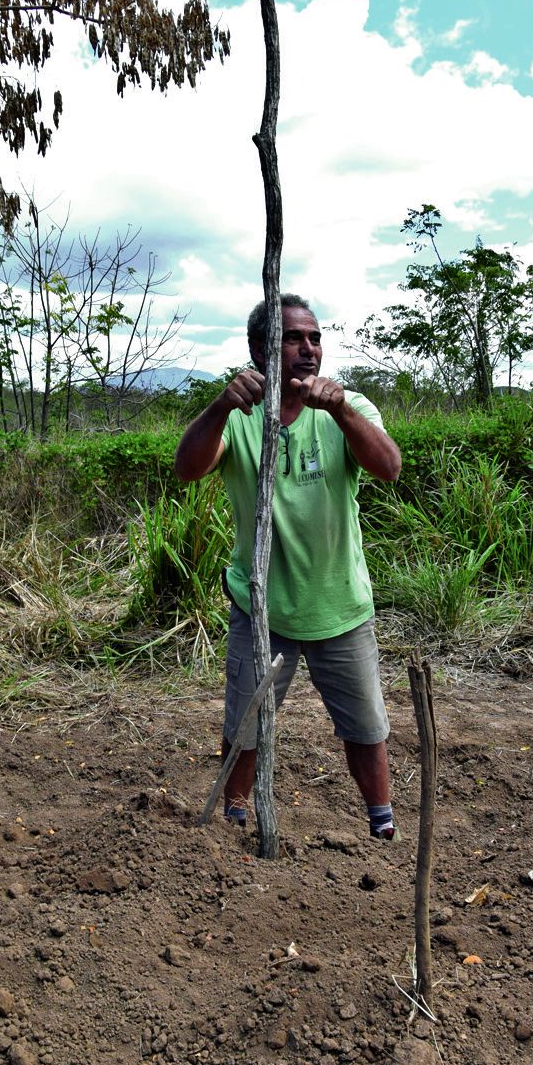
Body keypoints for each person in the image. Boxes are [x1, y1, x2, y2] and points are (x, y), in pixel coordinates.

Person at [174, 294, 402, 838]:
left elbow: (389, 467)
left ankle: (382, 825)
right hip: (261, 608)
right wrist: (219, 407)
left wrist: (341, 411)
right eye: (293, 338)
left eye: (315, 338)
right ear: (260, 349)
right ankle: (233, 821)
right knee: (246, 726)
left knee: (366, 727)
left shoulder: (349, 408)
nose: (308, 349)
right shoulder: (241, 414)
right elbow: (187, 468)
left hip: (339, 606)